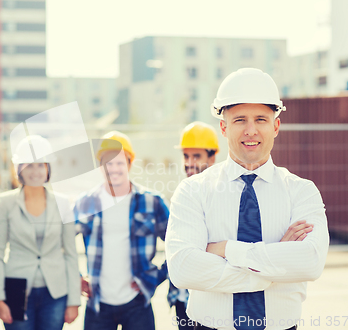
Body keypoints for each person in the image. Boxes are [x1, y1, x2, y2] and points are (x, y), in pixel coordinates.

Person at [165, 68, 329, 330]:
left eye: (261, 120)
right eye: (240, 120)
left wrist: (227, 249)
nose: (251, 131)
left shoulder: (302, 191)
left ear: (276, 126)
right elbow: (183, 268)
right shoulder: (192, 191)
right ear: (223, 127)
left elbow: (310, 262)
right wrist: (273, 266)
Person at [73, 131, 170, 330]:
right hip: (98, 304)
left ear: (130, 163)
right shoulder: (86, 203)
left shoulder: (151, 202)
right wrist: (76, 277)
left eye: (120, 162)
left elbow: (178, 244)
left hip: (137, 303)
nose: (114, 168)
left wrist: (155, 276)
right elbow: (60, 244)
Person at [0, 135, 80, 330]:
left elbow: (71, 254)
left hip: (55, 293)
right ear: (19, 169)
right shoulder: (5, 203)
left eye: (41, 165)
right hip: (15, 290)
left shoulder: (63, 203)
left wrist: (74, 300)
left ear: (48, 168)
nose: (35, 171)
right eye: (29, 165)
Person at [169, 121, 219, 330]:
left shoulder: (224, 195)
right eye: (185, 156)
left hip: (213, 300)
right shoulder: (182, 195)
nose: (189, 162)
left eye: (196, 156)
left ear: (212, 157)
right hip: (182, 299)